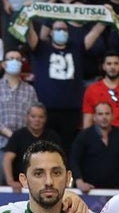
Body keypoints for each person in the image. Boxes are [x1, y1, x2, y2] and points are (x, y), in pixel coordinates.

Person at [26, 17, 104, 149]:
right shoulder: (42, 47)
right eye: (58, 29)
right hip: (46, 109)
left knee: (67, 148)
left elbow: (95, 33)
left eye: (64, 29)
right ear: (50, 32)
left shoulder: (77, 47)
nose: (61, 32)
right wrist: (27, 16)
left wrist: (104, 16)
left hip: (71, 109)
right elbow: (29, 32)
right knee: (46, 147)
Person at [0, 49, 38, 185]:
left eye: (18, 59)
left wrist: (20, 138)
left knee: (28, 184)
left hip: (24, 146)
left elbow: (35, 116)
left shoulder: (29, 90)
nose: (15, 61)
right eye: (11, 58)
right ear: (3, 64)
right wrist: (11, 135)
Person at [70, 101, 119, 191]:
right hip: (89, 190)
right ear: (94, 117)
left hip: (113, 190)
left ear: (112, 116)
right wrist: (79, 182)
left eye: (107, 113)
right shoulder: (84, 135)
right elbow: (74, 160)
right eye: (100, 114)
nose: (104, 117)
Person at [83, 51, 119, 135]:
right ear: (103, 66)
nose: (112, 67)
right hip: (99, 140)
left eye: (116, 63)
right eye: (109, 64)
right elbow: (87, 121)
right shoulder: (92, 90)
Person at [3, 103, 60, 188]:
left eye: (41, 117)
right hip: (21, 185)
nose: (37, 120)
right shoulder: (18, 135)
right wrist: (10, 181)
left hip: (47, 183)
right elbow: (7, 159)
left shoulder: (52, 136)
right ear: (27, 117)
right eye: (33, 116)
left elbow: (59, 160)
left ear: (45, 119)